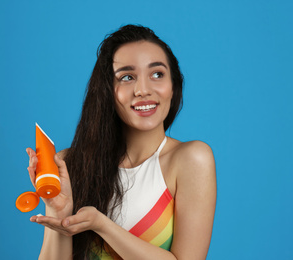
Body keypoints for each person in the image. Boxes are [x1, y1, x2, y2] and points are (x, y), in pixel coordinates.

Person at [27, 24, 216, 260]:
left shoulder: (191, 159)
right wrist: (58, 210)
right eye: (127, 77)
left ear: (173, 85)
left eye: (157, 74)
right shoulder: (71, 163)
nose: (143, 90)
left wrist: (102, 225)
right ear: (107, 90)